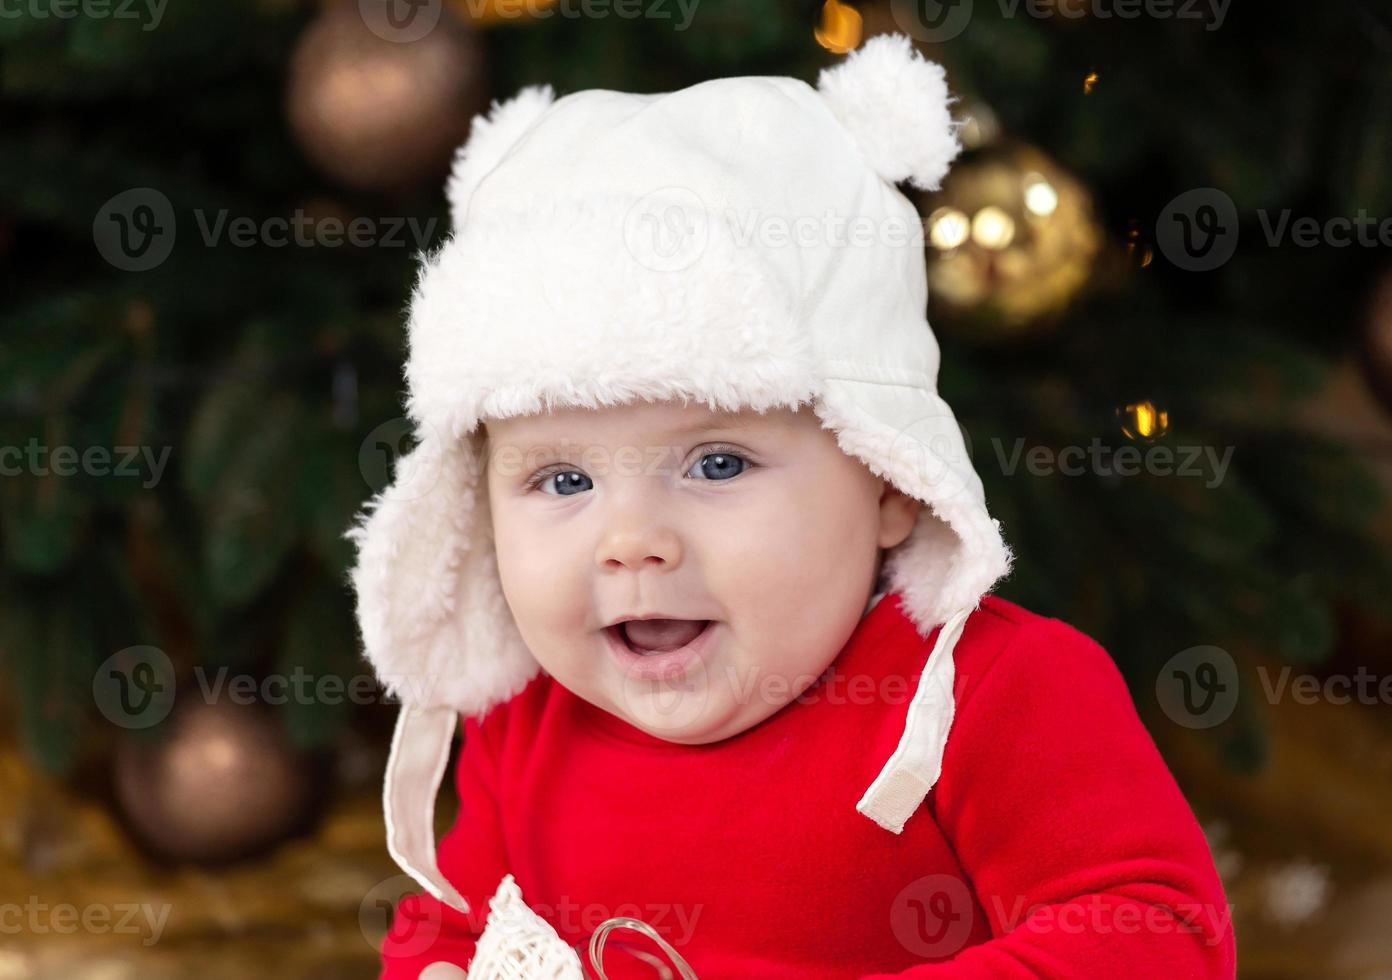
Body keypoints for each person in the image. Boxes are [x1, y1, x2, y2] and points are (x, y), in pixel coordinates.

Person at [345, 33, 1237, 978]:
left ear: (887, 476)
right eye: (563, 481)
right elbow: (451, 927)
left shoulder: (993, 693)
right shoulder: (529, 718)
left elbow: (1156, 931)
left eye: (718, 463)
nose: (632, 543)